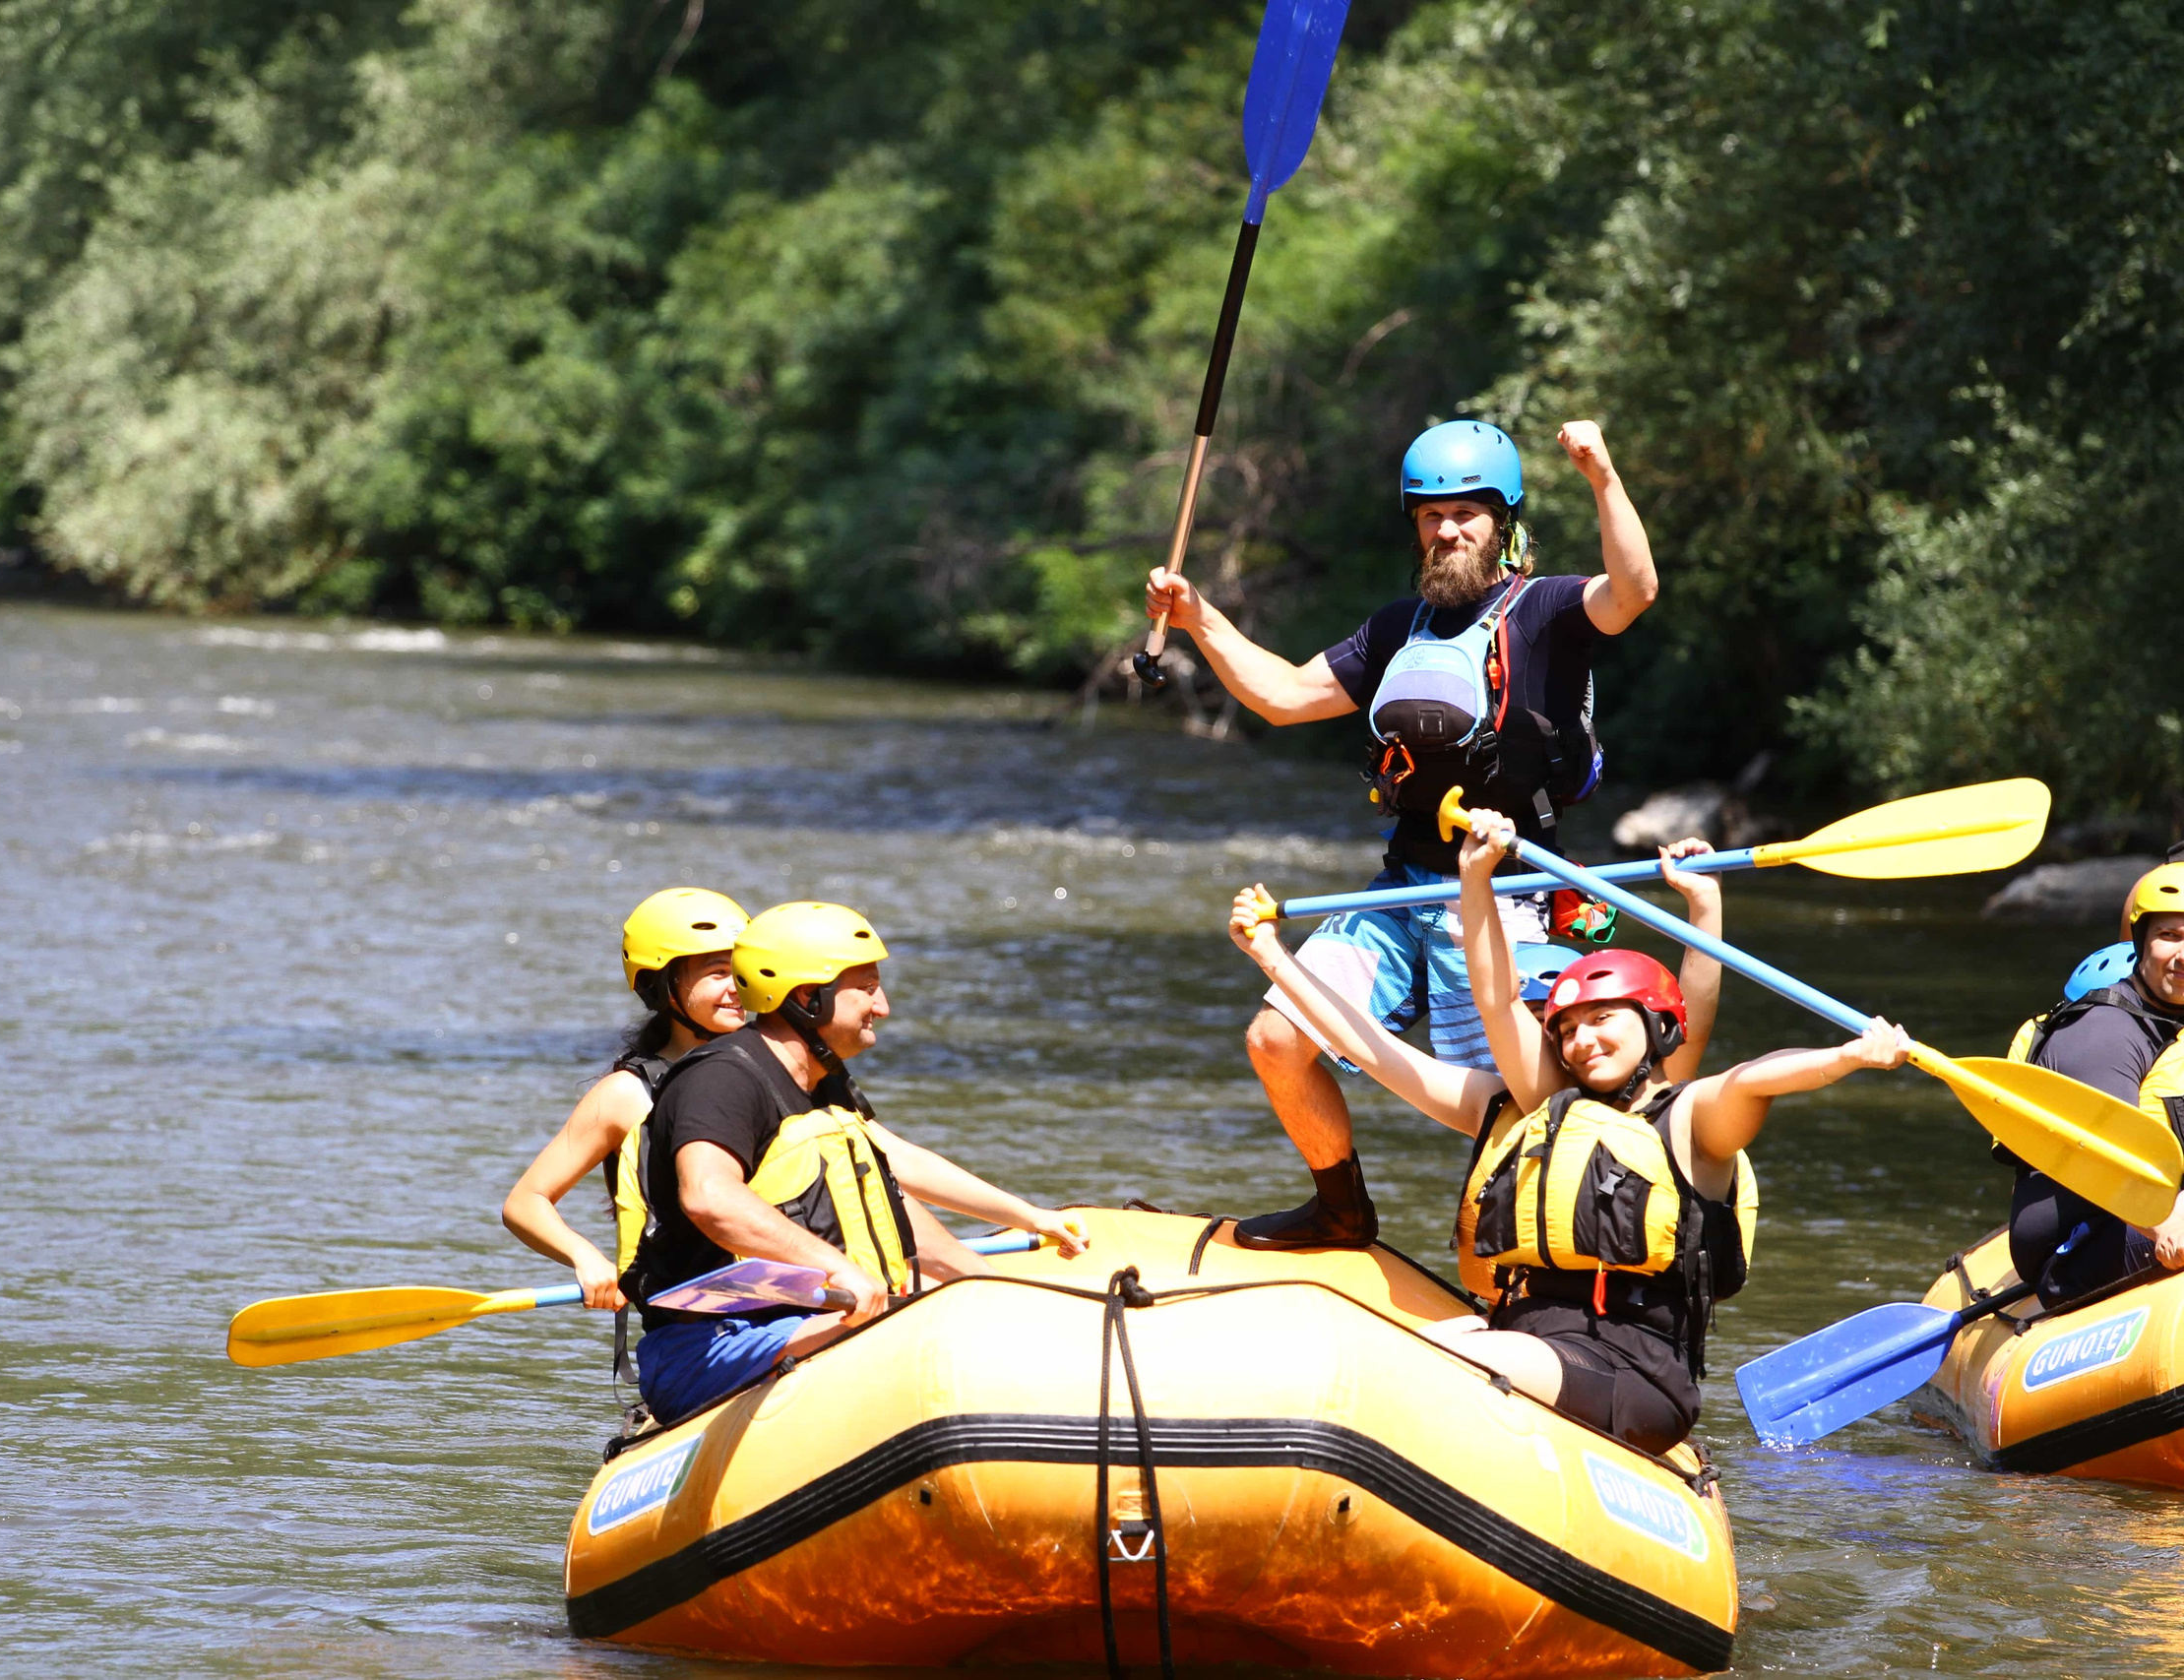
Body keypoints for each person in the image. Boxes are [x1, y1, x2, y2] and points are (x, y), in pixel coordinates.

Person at [1226, 809, 1910, 1453]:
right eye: (1565, 1027)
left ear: (1652, 1026)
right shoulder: (1510, 1105)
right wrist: (1275, 957)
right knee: (1372, 1342)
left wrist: (1846, 1056)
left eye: (1601, 1020)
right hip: (1525, 1340)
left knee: (1435, 1357)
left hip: (1633, 1369)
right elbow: (1388, 1043)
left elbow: (1753, 1076)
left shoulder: (1687, 1121)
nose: (1579, 1040)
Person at [1147, 419, 1660, 1250]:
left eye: (1467, 514)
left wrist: (1601, 471)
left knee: (1522, 1098)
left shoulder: (1546, 612)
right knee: (1276, 1039)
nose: (1449, 530)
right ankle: (1342, 1209)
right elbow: (1281, 694)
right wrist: (1201, 618)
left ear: (1504, 522)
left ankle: (1543, 1249)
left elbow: (1633, 591)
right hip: (1403, 883)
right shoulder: (1397, 627)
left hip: (1509, 894)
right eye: (1431, 516)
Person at [622, 901, 1088, 1423]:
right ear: (806, 997)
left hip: (812, 1316)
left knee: (980, 1314)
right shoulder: (722, 1079)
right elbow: (711, 1199)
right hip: (709, 1345)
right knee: (928, 1339)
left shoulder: (824, 1081)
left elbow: (889, 1192)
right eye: (866, 988)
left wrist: (986, 1279)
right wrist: (839, 1267)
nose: (883, 1006)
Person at [502, 888, 752, 1320]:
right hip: (698, 1326)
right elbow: (525, 1203)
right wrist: (586, 1257)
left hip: (784, 1300)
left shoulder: (771, 1070)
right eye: (718, 973)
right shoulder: (626, 1094)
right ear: (663, 986)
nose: (738, 988)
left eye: (744, 972)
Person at [2001, 852, 2184, 1301]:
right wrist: (2165, 1220)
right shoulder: (2105, 1033)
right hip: (2077, 1245)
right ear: (2141, 944)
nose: (2183, 955)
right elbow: (2103, 1159)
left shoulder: (2173, 1020)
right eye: (2169, 936)